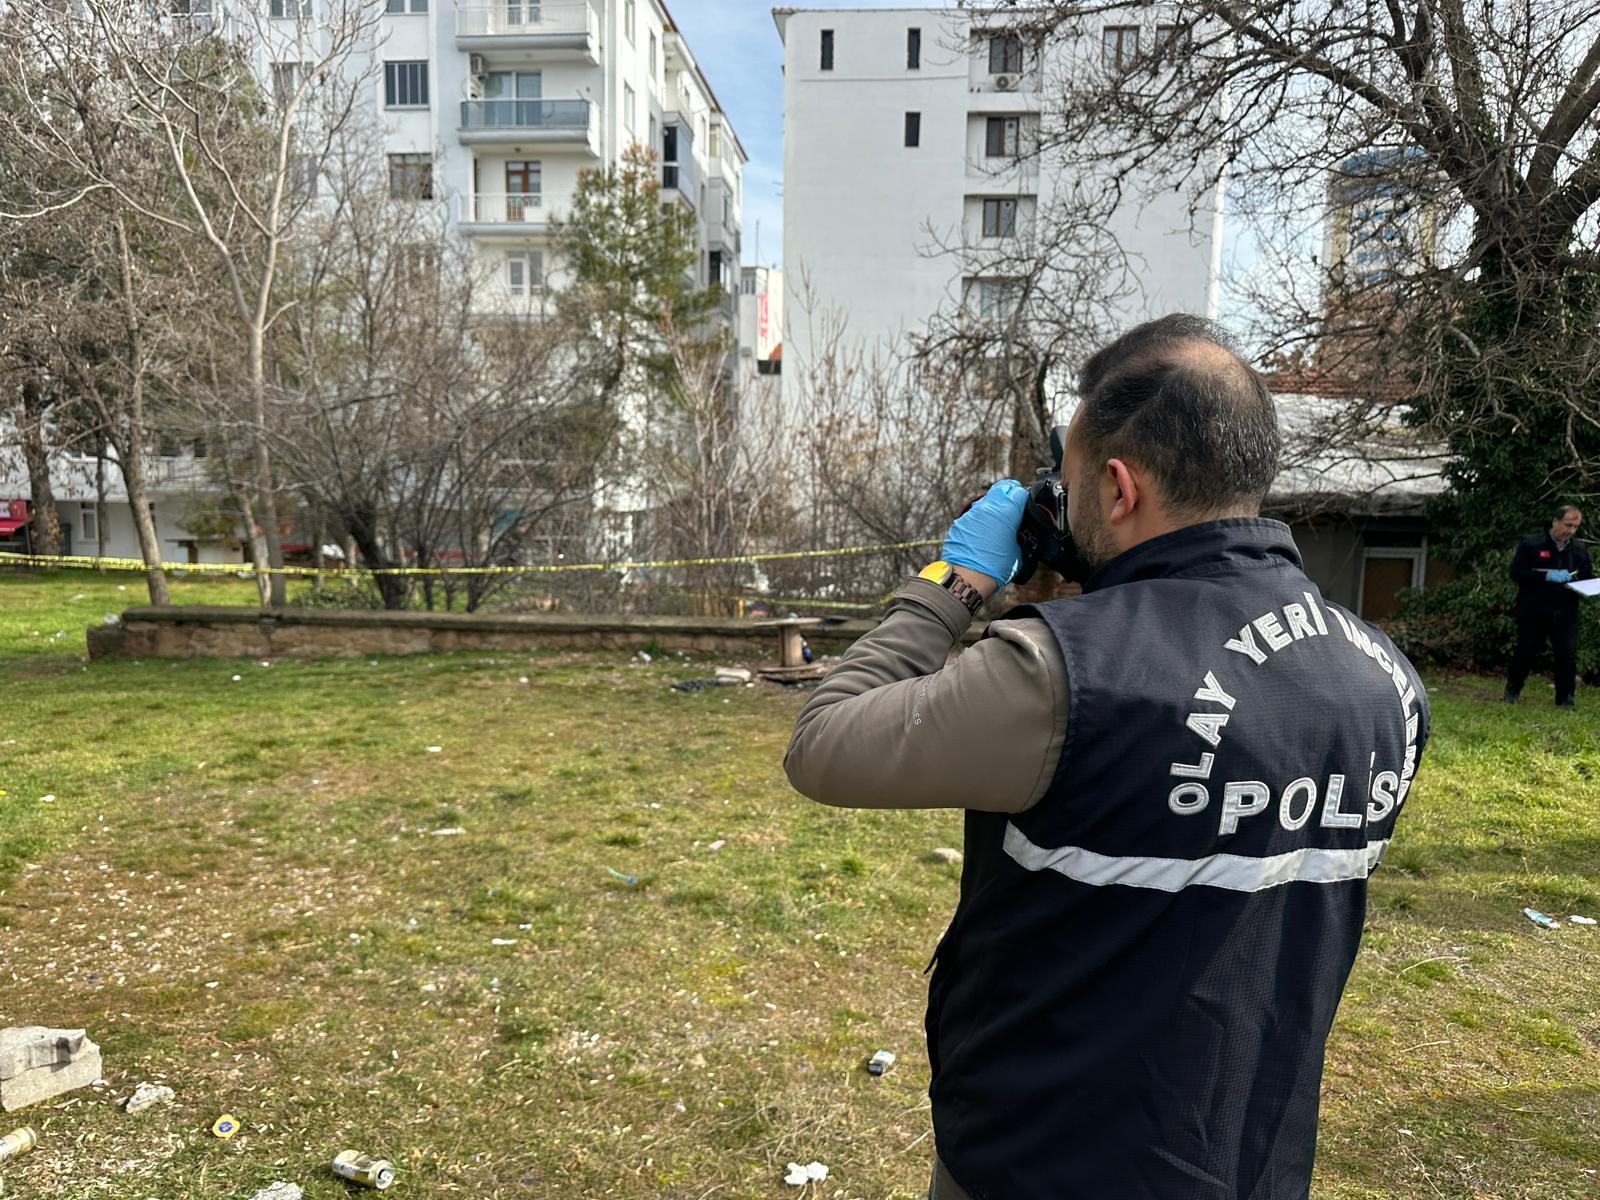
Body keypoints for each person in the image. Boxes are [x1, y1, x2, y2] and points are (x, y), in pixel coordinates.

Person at [784, 314, 1431, 1200]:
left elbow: (824, 744)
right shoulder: (1384, 676)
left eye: (1075, 484)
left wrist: (955, 582)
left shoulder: (1060, 671)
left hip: (1046, 1156)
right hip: (1249, 1155)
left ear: (1119, 489)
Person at [1505, 505, 1592, 707]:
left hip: (1566, 610)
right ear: (1555, 521)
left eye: (1575, 527)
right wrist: (1545, 575)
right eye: (1568, 525)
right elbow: (1516, 572)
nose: (1570, 530)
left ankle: (1565, 699)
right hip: (1534, 608)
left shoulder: (1578, 549)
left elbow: (1586, 576)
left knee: (1567, 655)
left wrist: (1592, 588)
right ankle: (1513, 689)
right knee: (1526, 651)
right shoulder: (1532, 544)